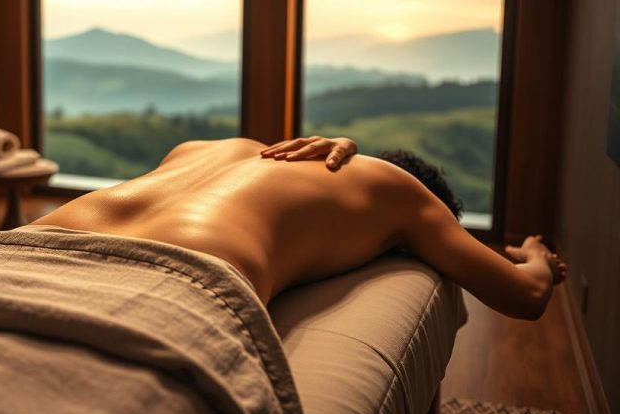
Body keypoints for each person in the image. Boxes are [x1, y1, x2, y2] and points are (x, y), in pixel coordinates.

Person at [31, 136, 567, 320]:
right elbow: (527, 296)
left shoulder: (213, 148)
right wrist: (535, 255)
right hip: (180, 274)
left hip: (27, 243)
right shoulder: (400, 193)